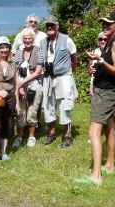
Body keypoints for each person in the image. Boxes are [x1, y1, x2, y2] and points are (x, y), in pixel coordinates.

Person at [77, 12, 115, 185]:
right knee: (108, 129)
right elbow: (107, 68)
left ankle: (96, 176)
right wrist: (94, 68)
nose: (105, 26)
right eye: (103, 24)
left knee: (93, 131)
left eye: (109, 24)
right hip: (105, 89)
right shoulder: (110, 42)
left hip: (106, 93)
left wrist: (100, 60)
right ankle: (110, 165)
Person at [40, 15, 78, 148]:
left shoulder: (67, 40)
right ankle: (52, 133)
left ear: (57, 26)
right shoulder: (43, 42)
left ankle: (67, 135)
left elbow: (74, 59)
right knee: (49, 105)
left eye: (52, 25)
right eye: (47, 25)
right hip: (48, 77)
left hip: (63, 77)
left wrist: (69, 73)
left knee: (64, 105)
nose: (49, 27)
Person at [12, 14, 47, 131]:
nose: (33, 24)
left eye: (35, 22)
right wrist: (19, 85)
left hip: (35, 78)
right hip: (21, 80)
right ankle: (22, 130)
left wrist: (22, 83)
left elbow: (38, 70)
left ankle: (34, 126)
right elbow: (14, 62)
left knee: (34, 105)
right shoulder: (19, 43)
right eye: (31, 22)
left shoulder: (43, 37)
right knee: (22, 107)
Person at [87, 32, 115, 145]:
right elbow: (89, 68)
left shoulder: (114, 50)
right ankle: (95, 132)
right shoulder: (95, 52)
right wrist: (90, 70)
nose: (102, 41)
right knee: (96, 109)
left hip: (110, 86)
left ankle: (112, 133)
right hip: (95, 85)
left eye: (105, 39)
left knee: (111, 112)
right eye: (100, 39)